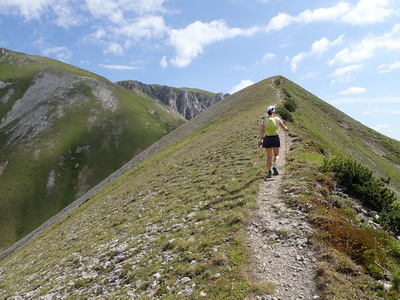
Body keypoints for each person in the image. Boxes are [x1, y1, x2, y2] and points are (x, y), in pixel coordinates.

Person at [259, 105, 288, 179]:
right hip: (275, 138)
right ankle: (275, 165)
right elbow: (284, 128)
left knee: (269, 157)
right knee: (276, 155)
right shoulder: (277, 119)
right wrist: (286, 128)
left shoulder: (264, 120)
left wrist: (261, 140)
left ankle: (269, 172)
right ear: (273, 111)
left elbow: (262, 131)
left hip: (267, 139)